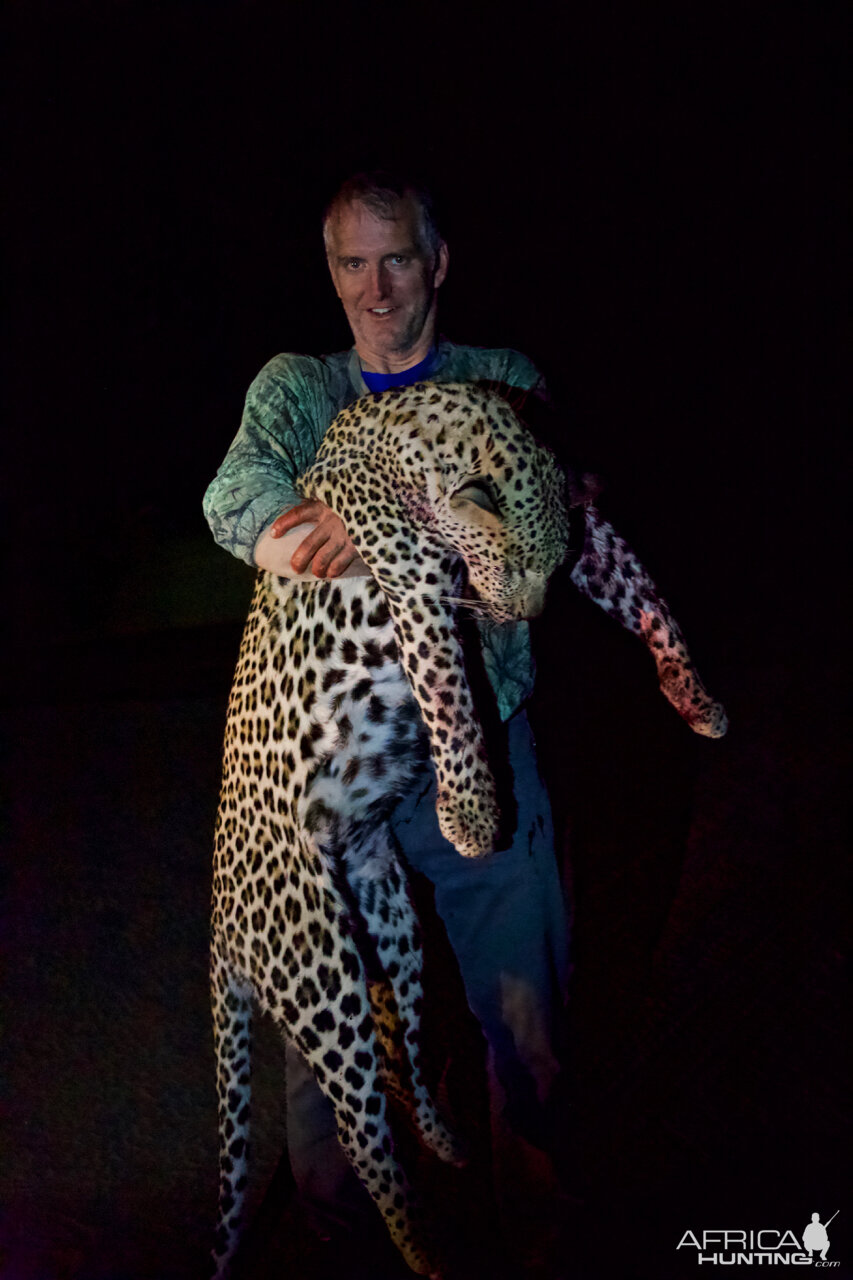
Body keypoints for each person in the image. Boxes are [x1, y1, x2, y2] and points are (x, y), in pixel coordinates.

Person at [203, 171, 570, 1269]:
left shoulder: (500, 382)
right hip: (336, 775)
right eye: (352, 262)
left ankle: (541, 1242)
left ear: (438, 261)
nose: (376, 286)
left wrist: (365, 524)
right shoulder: (299, 388)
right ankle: (347, 1248)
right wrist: (374, 534)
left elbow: (543, 526)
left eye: (397, 258)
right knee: (329, 1080)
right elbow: (234, 502)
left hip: (479, 748)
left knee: (527, 1030)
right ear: (331, 272)